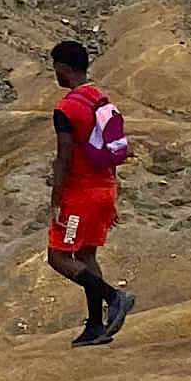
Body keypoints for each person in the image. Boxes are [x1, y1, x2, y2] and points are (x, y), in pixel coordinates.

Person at [43, 38, 135, 347]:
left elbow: (64, 158)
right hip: (104, 189)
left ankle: (114, 297)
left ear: (64, 68)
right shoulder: (100, 99)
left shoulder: (66, 108)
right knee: (86, 255)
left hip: (80, 194)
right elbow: (112, 148)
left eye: (55, 67)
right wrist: (112, 194)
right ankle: (95, 325)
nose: (54, 73)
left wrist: (57, 201)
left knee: (58, 256)